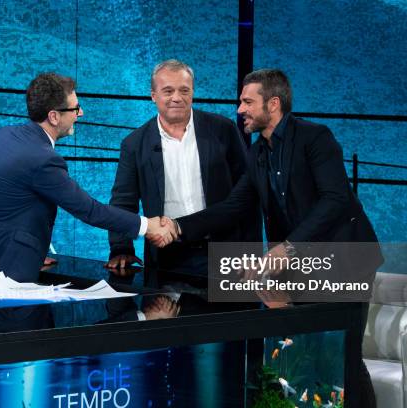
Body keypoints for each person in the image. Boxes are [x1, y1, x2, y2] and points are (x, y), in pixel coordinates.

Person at [161, 69, 383, 407]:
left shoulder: (315, 138)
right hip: (305, 267)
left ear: (274, 103)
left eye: (248, 102)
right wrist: (177, 227)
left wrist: (288, 248)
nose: (240, 110)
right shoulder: (258, 154)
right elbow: (234, 206)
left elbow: (335, 200)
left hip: (346, 262)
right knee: (308, 355)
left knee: (341, 353)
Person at [0, 73, 174, 289]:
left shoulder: (6, 135)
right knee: (2, 337)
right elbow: (90, 210)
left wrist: (32, 251)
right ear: (53, 116)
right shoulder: (42, 160)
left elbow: (5, 206)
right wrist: (148, 226)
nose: (81, 114)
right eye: (75, 109)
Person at [106, 59, 261, 286]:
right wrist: (121, 247)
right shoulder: (134, 144)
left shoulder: (223, 129)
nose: (176, 98)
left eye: (184, 90)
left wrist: (251, 252)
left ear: (192, 93)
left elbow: (247, 192)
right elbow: (123, 201)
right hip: (167, 254)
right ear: (153, 95)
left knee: (227, 319)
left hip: (225, 252)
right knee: (173, 321)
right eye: (168, 91)